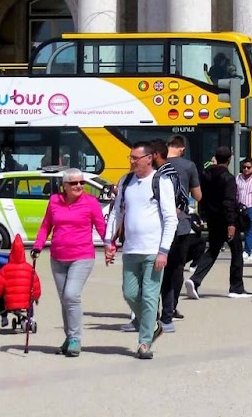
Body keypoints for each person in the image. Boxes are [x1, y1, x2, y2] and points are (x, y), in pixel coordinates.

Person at [103, 143, 177, 360]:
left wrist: (164, 250)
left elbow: (170, 218)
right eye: (131, 157)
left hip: (154, 249)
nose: (132, 161)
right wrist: (110, 241)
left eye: (136, 157)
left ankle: (144, 343)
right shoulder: (126, 182)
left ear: (149, 158)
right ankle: (153, 324)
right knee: (130, 292)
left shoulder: (160, 182)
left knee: (150, 295)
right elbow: (116, 212)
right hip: (131, 248)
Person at [32, 165, 107, 355]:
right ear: (64, 185)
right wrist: (38, 246)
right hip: (58, 257)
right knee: (64, 300)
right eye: (74, 183)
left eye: (81, 182)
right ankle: (68, 337)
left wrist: (110, 246)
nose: (79, 186)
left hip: (82, 256)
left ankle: (75, 338)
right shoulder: (54, 201)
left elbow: (102, 227)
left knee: (71, 296)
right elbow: (45, 226)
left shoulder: (90, 202)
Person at [153, 135, 204, 326]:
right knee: (176, 267)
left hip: (156, 223)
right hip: (180, 224)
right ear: (181, 148)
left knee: (155, 268)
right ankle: (171, 307)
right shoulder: (188, 166)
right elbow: (198, 196)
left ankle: (152, 308)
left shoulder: (156, 164)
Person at [190, 145, 248, 298]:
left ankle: (195, 279)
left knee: (213, 250)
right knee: (236, 251)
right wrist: (231, 223)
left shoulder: (205, 174)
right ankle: (236, 287)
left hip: (212, 217)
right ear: (229, 160)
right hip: (226, 219)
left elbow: (202, 196)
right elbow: (229, 202)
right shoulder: (228, 178)